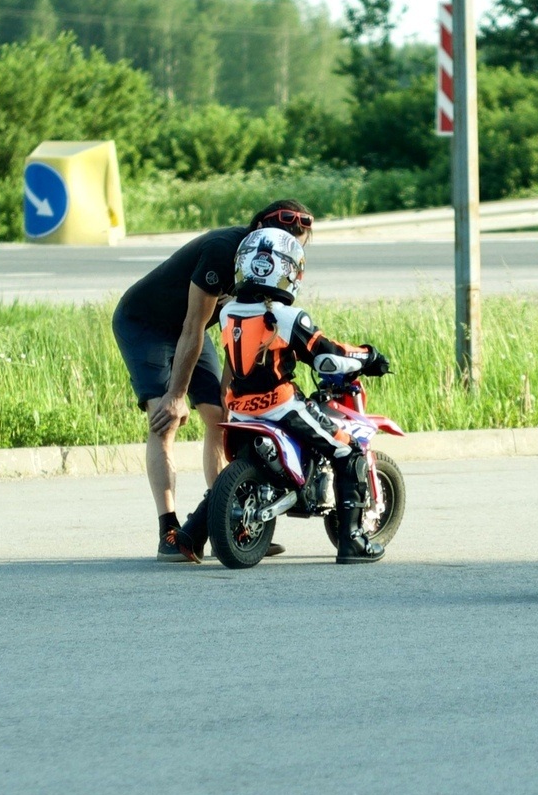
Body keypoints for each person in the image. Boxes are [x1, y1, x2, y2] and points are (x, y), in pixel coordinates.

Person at [174, 227, 392, 565]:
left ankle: (189, 534)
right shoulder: (287, 316)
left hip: (241, 411)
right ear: (289, 270)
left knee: (237, 467)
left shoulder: (228, 312)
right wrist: (368, 356)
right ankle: (353, 540)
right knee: (347, 450)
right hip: (280, 406)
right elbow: (327, 356)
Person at [112, 200, 314, 562]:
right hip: (145, 324)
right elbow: (191, 325)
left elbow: (241, 331)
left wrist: (231, 391)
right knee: (165, 419)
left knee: (222, 415)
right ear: (258, 231)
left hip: (196, 328)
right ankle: (169, 532)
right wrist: (176, 394)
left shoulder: (272, 268)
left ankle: (229, 520)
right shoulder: (224, 251)